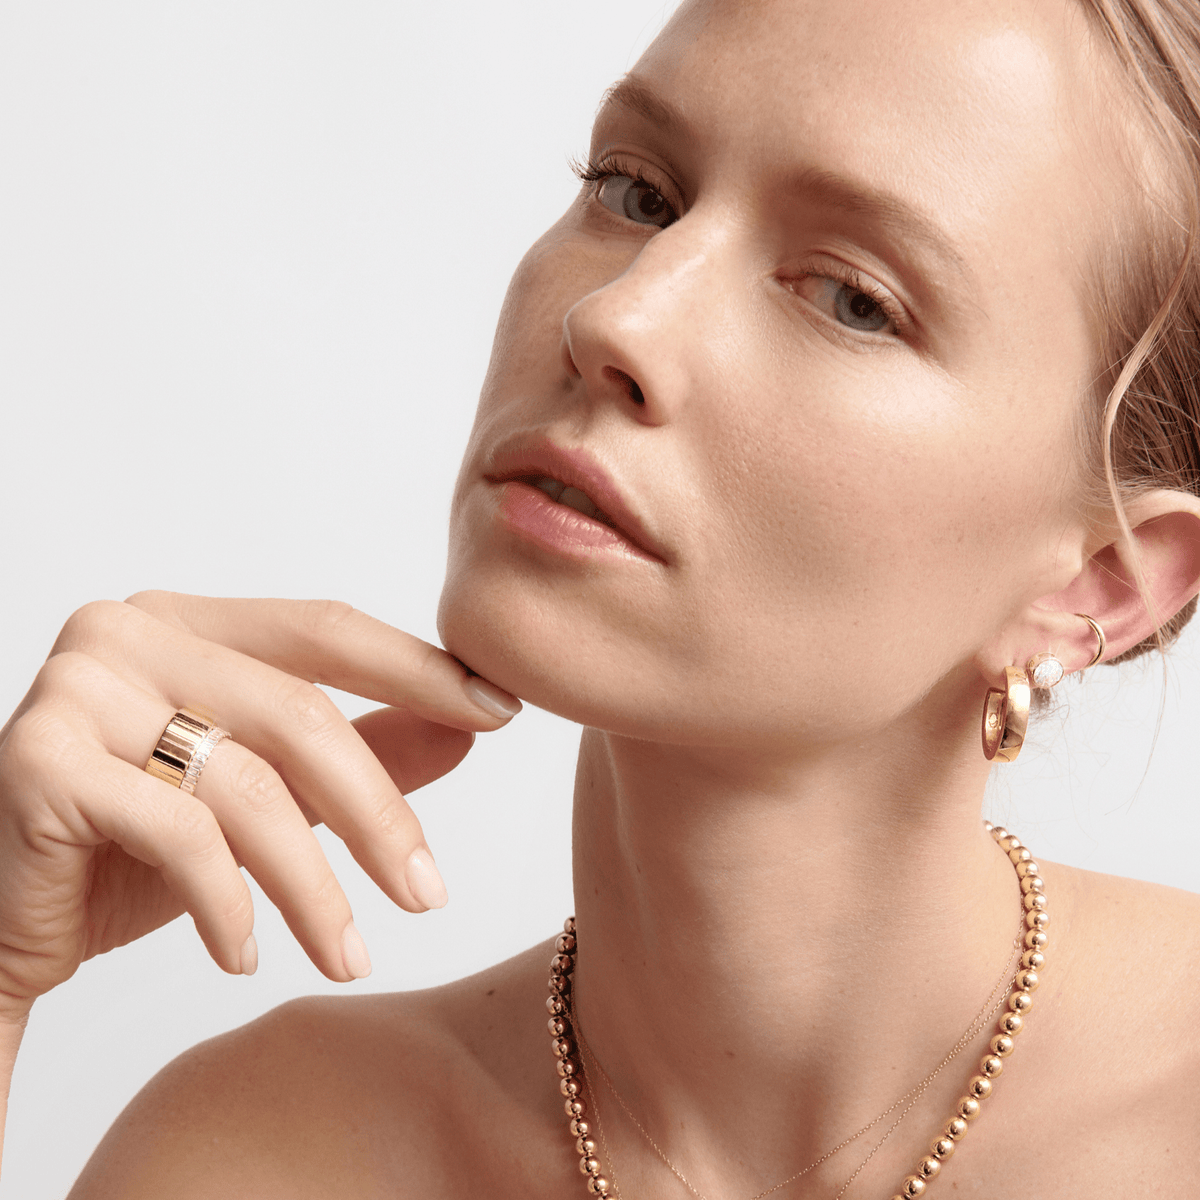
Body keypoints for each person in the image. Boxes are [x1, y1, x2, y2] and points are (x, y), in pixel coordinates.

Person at [3, 0, 1200, 1194]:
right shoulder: (258, 1160)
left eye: (851, 298)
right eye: (637, 192)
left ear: (1103, 582)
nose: (614, 316)